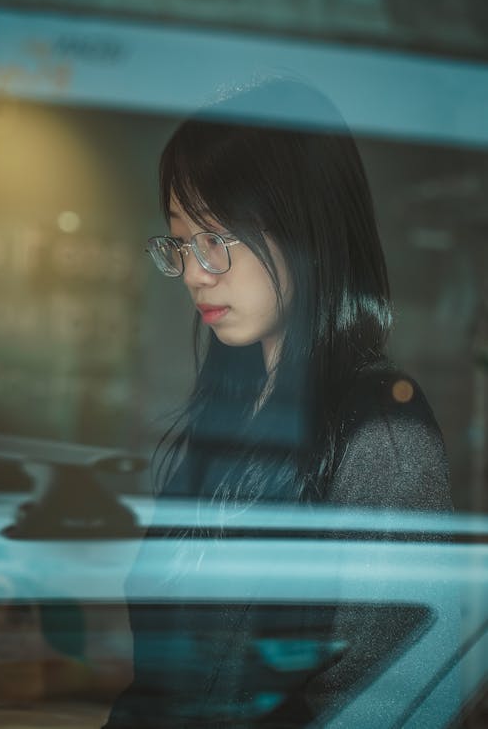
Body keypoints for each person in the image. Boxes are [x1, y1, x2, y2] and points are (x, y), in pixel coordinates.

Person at [103, 79, 452, 728]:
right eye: (179, 241)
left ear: (305, 233)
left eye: (216, 237)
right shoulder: (228, 418)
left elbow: (386, 698)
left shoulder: (382, 430)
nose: (194, 271)